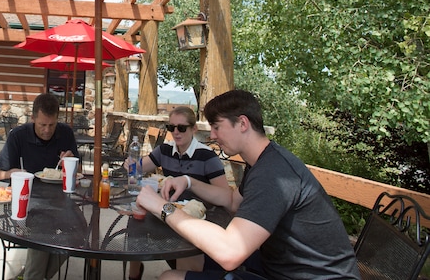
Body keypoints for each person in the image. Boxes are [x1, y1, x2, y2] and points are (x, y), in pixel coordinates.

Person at [136, 90, 361, 280]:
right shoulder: (263, 161)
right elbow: (233, 202)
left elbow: (229, 252)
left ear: (242, 123)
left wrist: (162, 207)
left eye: (217, 127)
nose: (212, 135)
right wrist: (188, 181)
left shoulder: (274, 174)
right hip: (275, 267)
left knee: (169, 277)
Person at [125, 106, 229, 280]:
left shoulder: (207, 157)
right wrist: (131, 164)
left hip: (194, 218)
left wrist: (190, 184)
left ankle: (182, 274)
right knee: (136, 219)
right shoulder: (165, 150)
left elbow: (225, 195)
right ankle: (134, 274)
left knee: (185, 241)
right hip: (167, 210)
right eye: (171, 127)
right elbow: (138, 168)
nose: (176, 132)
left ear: (193, 129)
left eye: (181, 128)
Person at [0, 93, 79, 280]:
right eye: (42, 125)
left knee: (81, 229)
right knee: (44, 228)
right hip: (28, 201)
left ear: (58, 119)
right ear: (32, 119)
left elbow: (76, 172)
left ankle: (32, 275)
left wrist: (71, 162)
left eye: (52, 125)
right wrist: (12, 173)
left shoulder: (65, 133)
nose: (47, 130)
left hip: (60, 199)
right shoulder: (18, 136)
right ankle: (34, 276)